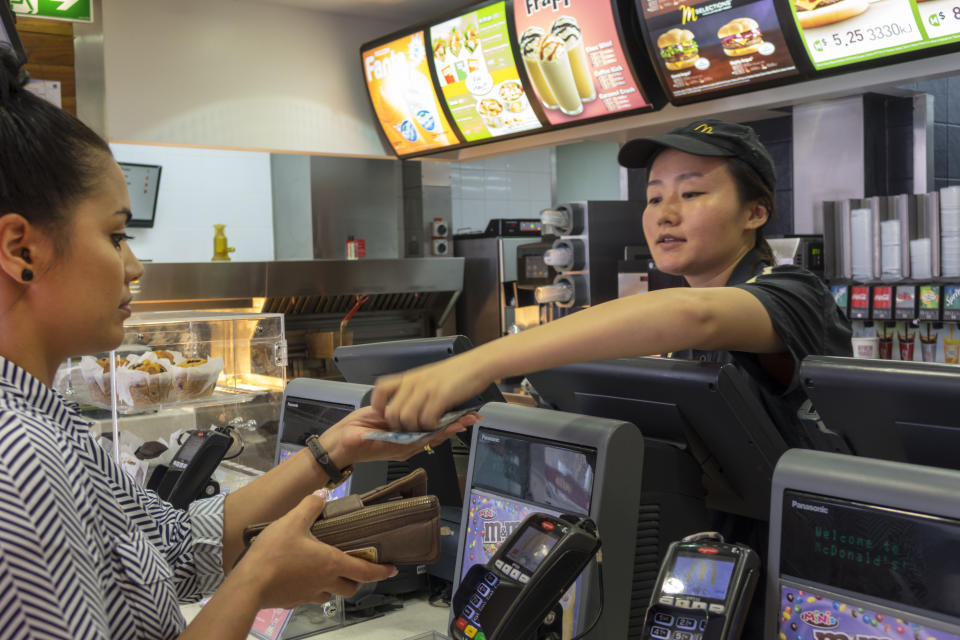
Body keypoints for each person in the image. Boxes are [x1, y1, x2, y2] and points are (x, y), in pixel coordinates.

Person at [0, 50, 476, 640]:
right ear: (21, 251)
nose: (133, 265)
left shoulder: (48, 420)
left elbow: (174, 547)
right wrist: (255, 582)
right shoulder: (17, 460)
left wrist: (334, 450)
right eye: (115, 235)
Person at [372, 119, 852, 448]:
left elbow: (696, 316)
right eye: (654, 196)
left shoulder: (794, 292)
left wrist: (479, 363)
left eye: (691, 193)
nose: (665, 212)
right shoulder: (680, 314)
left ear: (756, 212)